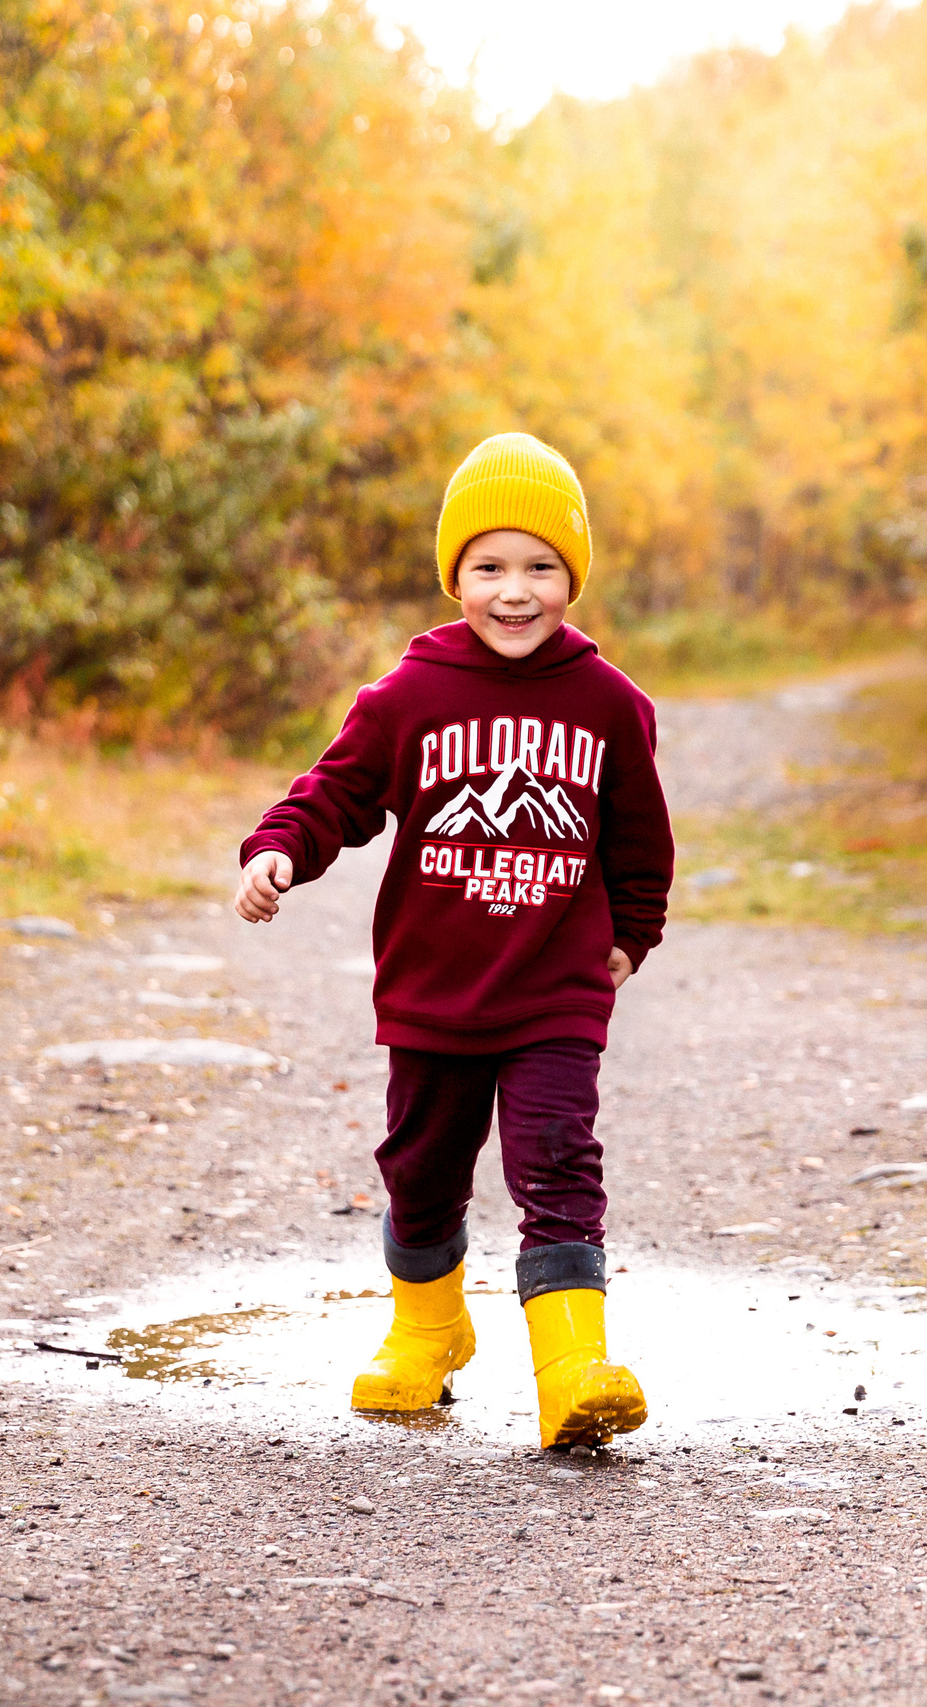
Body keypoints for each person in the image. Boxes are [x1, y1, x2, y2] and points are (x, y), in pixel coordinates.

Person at [231, 433, 673, 1449]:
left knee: (558, 1158)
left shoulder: (610, 705)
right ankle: (428, 1330)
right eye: (489, 567)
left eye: (541, 567)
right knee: (421, 1167)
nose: (514, 592)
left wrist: (633, 932)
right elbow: (335, 792)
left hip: (554, 986)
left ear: (573, 578)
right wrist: (278, 849)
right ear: (455, 577)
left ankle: (573, 1371)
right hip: (433, 987)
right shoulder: (410, 696)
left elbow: (640, 834)